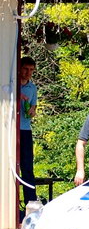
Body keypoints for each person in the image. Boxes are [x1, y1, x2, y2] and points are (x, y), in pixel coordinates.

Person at [17, 57, 37, 209]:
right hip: (11, 130)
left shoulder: (32, 88)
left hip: (25, 130)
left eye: (31, 70)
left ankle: (30, 203)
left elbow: (33, 110)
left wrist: (31, 110)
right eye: (25, 69)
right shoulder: (12, 85)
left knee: (27, 167)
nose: (28, 73)